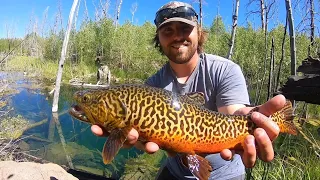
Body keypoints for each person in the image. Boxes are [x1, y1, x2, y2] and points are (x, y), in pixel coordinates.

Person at [91, 1, 284, 179]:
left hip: (226, 173)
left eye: (185, 28)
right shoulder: (152, 85)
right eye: (168, 31)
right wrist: (133, 139)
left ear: (198, 33)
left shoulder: (225, 70)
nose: (177, 36)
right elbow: (143, 139)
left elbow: (233, 112)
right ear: (158, 38)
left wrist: (253, 119)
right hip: (176, 170)